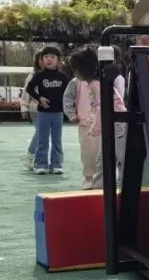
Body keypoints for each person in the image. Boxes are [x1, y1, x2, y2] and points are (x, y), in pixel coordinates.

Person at [24, 46, 69, 175]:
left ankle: (57, 165)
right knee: (42, 140)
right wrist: (39, 98)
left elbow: (68, 94)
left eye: (52, 57)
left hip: (58, 113)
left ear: (58, 60)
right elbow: (29, 89)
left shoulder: (63, 77)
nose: (49, 59)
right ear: (42, 59)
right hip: (43, 113)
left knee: (57, 140)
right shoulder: (38, 75)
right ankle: (40, 165)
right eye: (46, 57)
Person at [64, 47, 102, 190]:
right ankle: (88, 177)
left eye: (76, 70)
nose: (75, 73)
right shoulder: (75, 82)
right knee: (87, 153)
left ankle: (101, 178)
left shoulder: (99, 82)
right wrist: (72, 114)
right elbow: (67, 98)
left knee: (101, 152)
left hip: (101, 123)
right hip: (85, 123)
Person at [20, 48, 46, 170]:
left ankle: (38, 158)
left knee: (45, 134)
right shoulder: (33, 75)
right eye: (42, 59)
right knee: (41, 132)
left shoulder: (53, 75)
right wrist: (24, 108)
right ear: (37, 61)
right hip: (36, 109)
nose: (45, 61)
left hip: (49, 110)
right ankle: (29, 155)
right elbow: (26, 93)